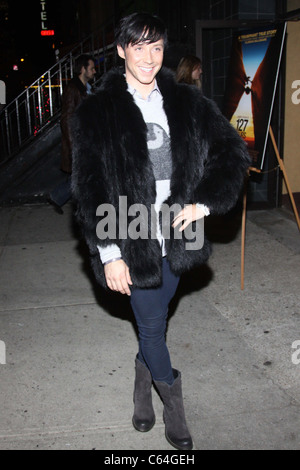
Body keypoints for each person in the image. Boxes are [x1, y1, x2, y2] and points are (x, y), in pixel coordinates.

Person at [71, 13, 251, 450]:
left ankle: (142, 376)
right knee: (152, 325)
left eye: (156, 47)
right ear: (120, 50)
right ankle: (173, 407)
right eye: (138, 47)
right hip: (130, 229)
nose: (149, 58)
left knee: (158, 316)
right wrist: (110, 252)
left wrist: (203, 202)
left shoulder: (187, 101)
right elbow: (89, 186)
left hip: (179, 228)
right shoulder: (97, 110)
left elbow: (232, 151)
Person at [47, 54, 96, 214]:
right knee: (85, 174)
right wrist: (72, 144)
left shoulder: (86, 89)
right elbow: (66, 119)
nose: (95, 71)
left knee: (84, 173)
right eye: (92, 68)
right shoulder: (73, 89)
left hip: (87, 139)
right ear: (83, 69)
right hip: (79, 140)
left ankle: (57, 196)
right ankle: (63, 198)